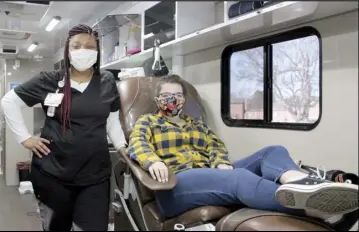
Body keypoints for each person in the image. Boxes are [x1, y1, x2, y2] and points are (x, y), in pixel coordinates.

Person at [127, 74, 358, 227]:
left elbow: (216, 146)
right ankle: (314, 210)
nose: (173, 100)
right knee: (238, 178)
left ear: (184, 99)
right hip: (175, 184)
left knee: (271, 151)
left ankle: (300, 182)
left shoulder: (196, 124)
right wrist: (152, 161)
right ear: (158, 99)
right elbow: (137, 143)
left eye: (177, 96)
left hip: (210, 175)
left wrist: (219, 163)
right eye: (167, 96)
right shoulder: (148, 121)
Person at [1, 24, 127, 231]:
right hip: (53, 174)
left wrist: (122, 146)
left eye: (89, 46)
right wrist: (24, 138)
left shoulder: (107, 81)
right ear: (68, 51)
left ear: (97, 52)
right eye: (76, 46)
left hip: (94, 176)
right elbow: (9, 102)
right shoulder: (49, 80)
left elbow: (112, 121)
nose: (82, 51)